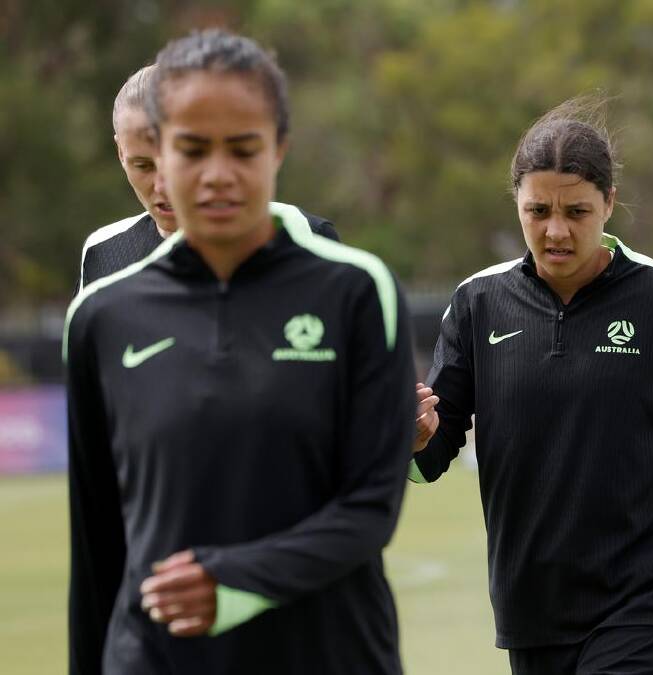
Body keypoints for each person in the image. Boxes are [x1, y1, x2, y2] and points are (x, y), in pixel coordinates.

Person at [64, 29, 415, 674]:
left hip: (329, 654)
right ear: (159, 152)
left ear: (279, 147)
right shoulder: (100, 315)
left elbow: (370, 509)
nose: (217, 173)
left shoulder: (359, 291)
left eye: (243, 148)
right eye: (192, 149)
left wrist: (228, 580)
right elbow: (96, 544)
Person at [409, 98, 653, 674]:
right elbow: (431, 456)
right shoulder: (478, 302)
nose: (556, 230)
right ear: (517, 203)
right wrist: (412, 438)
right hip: (533, 609)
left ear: (609, 203)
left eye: (577, 211)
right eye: (538, 211)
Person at [77, 63, 338, 292]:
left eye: (179, 162)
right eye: (143, 166)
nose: (163, 186)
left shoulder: (305, 236)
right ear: (121, 153)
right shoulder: (103, 253)